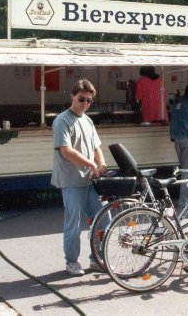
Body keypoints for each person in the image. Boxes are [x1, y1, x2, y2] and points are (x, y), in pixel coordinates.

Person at [51, 78, 106, 276]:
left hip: (90, 180)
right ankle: (72, 262)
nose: (85, 104)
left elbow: (96, 147)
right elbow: (66, 150)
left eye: (89, 101)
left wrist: (101, 164)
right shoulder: (62, 120)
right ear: (72, 96)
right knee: (73, 225)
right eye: (82, 99)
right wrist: (91, 164)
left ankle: (96, 258)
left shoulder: (87, 120)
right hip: (72, 180)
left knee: (103, 220)